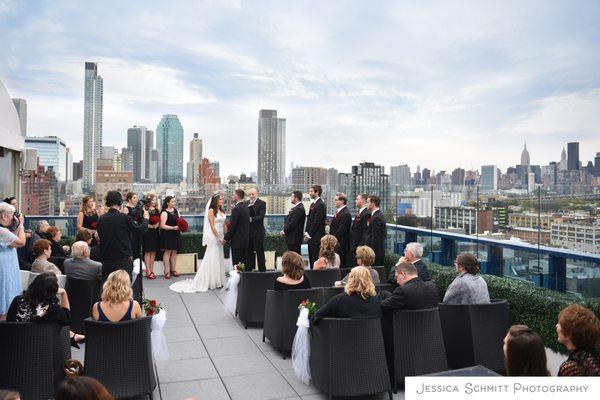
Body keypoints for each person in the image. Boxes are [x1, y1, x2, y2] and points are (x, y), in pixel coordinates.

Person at [170, 194, 227, 293]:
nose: (222, 201)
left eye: (222, 199)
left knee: (219, 257)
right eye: (220, 199)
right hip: (214, 237)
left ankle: (218, 280)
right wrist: (218, 237)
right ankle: (211, 280)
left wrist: (226, 237)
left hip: (221, 236)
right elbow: (212, 226)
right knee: (212, 257)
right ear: (215, 201)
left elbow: (224, 225)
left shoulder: (221, 211)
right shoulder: (211, 211)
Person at [6, 272, 84, 344]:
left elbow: (9, 320)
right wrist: (64, 293)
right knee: (59, 323)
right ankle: (73, 336)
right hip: (40, 345)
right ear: (53, 290)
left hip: (13, 341)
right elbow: (67, 318)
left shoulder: (18, 300)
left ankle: (73, 335)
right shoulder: (52, 309)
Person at [97, 191, 148, 281]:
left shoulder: (101, 219)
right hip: (123, 261)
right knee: (124, 290)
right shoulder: (124, 217)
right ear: (120, 202)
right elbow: (140, 230)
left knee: (108, 289)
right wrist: (146, 219)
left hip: (106, 261)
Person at [315, 266, 381, 320]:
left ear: (350, 280)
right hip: (372, 336)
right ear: (369, 280)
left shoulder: (340, 299)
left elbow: (317, 316)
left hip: (343, 335)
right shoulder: (376, 301)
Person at [556, 304, 600, 376]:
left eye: (560, 324)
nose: (556, 326)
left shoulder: (571, 367)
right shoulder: (593, 355)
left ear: (569, 333)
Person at [0, 202, 26, 319]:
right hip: (4, 270)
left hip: (7, 268)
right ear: (4, 216)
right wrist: (21, 225)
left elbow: (13, 241)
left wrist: (16, 228)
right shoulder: (2, 231)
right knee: (5, 296)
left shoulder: (4, 231)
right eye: (11, 214)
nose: (13, 217)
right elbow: (21, 242)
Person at [224, 189, 250, 267]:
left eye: (233, 194)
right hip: (245, 240)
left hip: (237, 241)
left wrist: (225, 239)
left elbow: (233, 227)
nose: (232, 196)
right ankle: (243, 279)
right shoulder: (246, 208)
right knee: (243, 263)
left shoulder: (236, 209)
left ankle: (238, 279)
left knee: (237, 265)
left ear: (237, 196)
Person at [304, 185, 326, 268]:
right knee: (311, 258)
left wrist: (309, 234)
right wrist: (306, 233)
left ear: (317, 192)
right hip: (311, 237)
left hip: (316, 238)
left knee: (315, 259)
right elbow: (310, 220)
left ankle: (316, 278)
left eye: (311, 191)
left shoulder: (320, 205)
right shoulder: (314, 204)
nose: (310, 193)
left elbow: (316, 222)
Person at [329, 193, 351, 268]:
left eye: (336, 200)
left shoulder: (345, 213)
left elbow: (341, 230)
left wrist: (332, 239)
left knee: (341, 265)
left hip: (341, 244)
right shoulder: (340, 212)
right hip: (336, 243)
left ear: (342, 201)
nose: (334, 201)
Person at [160, 195, 181, 278]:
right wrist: (173, 227)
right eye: (172, 201)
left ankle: (173, 269)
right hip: (167, 234)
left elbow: (180, 220)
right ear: (167, 203)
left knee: (174, 252)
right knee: (167, 252)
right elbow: (162, 225)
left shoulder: (176, 210)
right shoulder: (164, 212)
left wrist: (181, 226)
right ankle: (166, 271)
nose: (174, 203)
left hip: (176, 233)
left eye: (174, 201)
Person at [247, 188, 266, 271]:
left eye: (253, 194)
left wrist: (251, 219)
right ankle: (250, 271)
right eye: (250, 194)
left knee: (260, 253)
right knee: (249, 252)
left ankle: (262, 272)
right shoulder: (246, 203)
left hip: (258, 232)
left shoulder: (262, 203)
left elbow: (261, 217)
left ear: (257, 194)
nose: (251, 196)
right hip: (249, 232)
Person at [363, 195, 386, 266]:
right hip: (375, 253)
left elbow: (375, 238)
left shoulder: (376, 218)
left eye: (367, 202)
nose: (366, 204)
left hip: (375, 254)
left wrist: (369, 254)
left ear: (373, 204)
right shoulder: (375, 215)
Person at [142, 193, 160, 280]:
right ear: (149, 201)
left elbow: (160, 219)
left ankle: (152, 270)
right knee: (147, 251)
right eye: (153, 200)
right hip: (147, 232)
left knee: (153, 252)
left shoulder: (157, 209)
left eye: (155, 200)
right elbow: (142, 221)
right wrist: (150, 226)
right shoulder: (145, 209)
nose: (154, 201)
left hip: (155, 232)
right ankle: (148, 271)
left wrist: (157, 224)